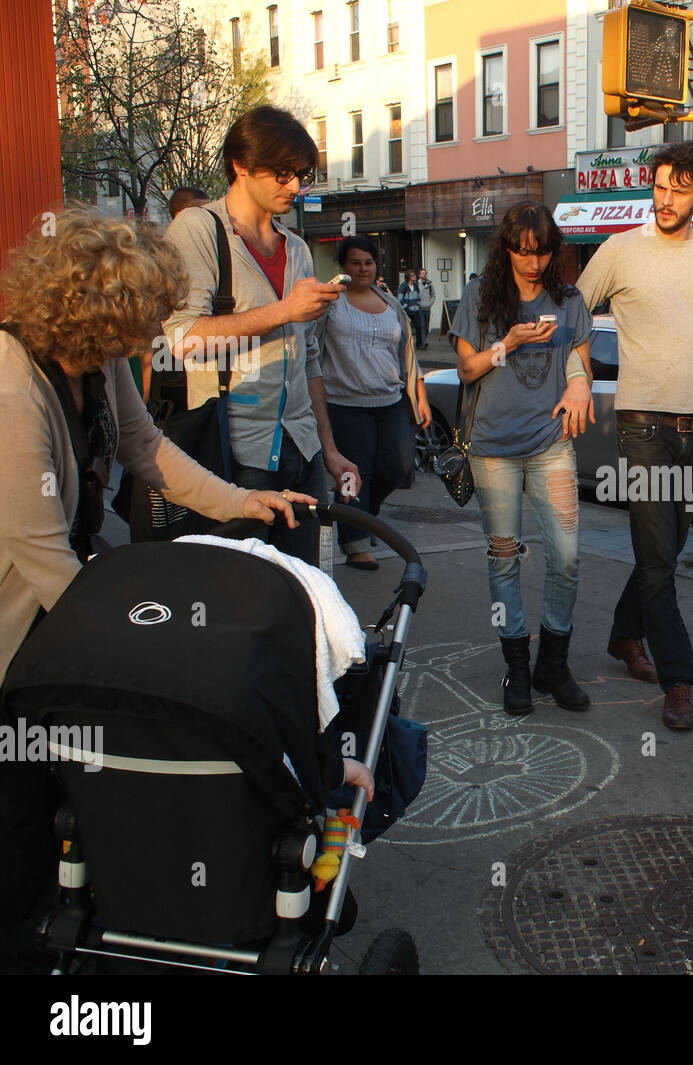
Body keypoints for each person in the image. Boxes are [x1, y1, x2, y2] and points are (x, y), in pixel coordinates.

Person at [0, 206, 358, 970]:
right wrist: (149, 652)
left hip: (52, 605)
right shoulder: (13, 387)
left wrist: (241, 501)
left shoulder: (96, 366)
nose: (153, 340)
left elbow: (146, 448)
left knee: (77, 790)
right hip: (14, 630)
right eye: (145, 323)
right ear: (98, 316)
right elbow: (41, 557)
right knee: (21, 816)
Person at [576, 141, 693, 730]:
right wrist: (579, 373)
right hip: (641, 423)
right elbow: (574, 314)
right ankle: (680, 680)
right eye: (660, 186)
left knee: (662, 552)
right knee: (661, 562)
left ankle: (624, 635)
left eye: (680, 190)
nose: (666, 200)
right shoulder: (620, 250)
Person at [164, 105, 359, 566]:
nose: (294, 186)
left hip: (303, 447)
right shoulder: (199, 229)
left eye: (302, 174)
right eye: (282, 173)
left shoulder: (295, 247)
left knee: (305, 587)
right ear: (241, 165)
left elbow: (309, 358)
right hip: (236, 452)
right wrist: (283, 310)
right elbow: (183, 338)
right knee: (244, 594)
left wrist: (330, 451)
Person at [451, 202, 595, 716]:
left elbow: (581, 364)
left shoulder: (569, 299)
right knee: (504, 558)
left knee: (568, 556)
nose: (533, 262)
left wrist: (580, 387)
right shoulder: (480, 297)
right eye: (523, 251)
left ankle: (552, 666)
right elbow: (466, 371)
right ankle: (516, 664)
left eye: (542, 252)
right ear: (507, 248)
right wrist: (507, 342)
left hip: (551, 444)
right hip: (493, 451)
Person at [313, 237, 432, 570]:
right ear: (344, 267)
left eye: (368, 262)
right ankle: (355, 544)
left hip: (390, 400)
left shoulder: (390, 303)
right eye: (355, 263)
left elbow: (406, 352)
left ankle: (365, 517)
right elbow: (312, 351)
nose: (363, 268)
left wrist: (419, 394)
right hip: (344, 402)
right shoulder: (331, 304)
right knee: (353, 473)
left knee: (397, 466)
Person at [398, 269, 424, 349]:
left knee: (419, 327)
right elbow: (400, 299)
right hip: (407, 311)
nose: (415, 277)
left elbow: (419, 296)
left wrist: (418, 304)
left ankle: (419, 345)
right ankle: (405, 345)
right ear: (409, 277)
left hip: (416, 310)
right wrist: (407, 307)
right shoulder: (403, 287)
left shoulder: (415, 286)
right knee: (406, 329)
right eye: (413, 276)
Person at [417, 267, 436, 349]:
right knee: (422, 325)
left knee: (426, 326)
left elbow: (433, 295)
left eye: (425, 273)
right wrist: (418, 303)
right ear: (419, 275)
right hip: (420, 307)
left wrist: (430, 303)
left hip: (427, 308)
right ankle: (423, 343)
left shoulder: (429, 284)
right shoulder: (416, 284)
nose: (424, 275)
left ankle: (424, 341)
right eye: (422, 273)